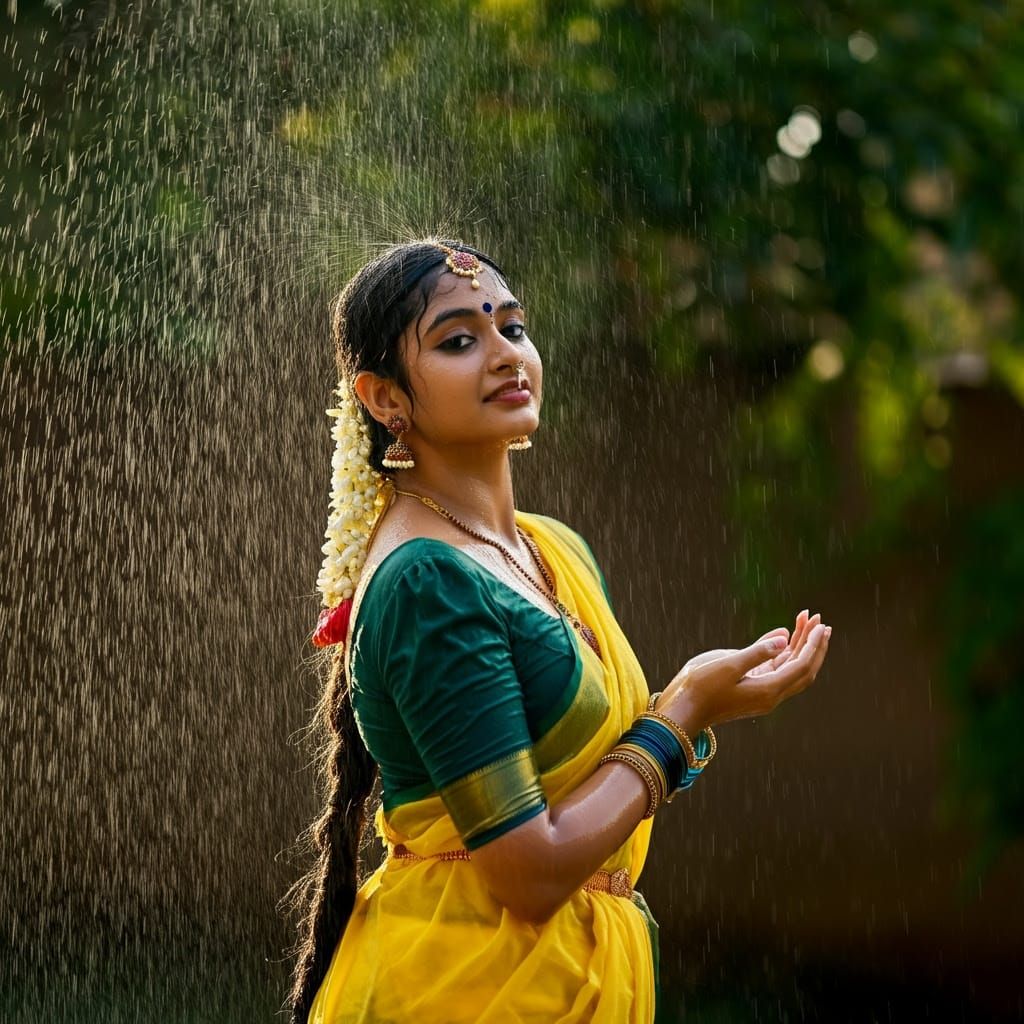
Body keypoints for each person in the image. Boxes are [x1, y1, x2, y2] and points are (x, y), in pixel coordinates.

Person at [283, 238, 832, 1024]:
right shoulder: (427, 584)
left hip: (567, 978)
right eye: (458, 341)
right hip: (465, 986)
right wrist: (681, 713)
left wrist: (706, 710)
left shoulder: (551, 548)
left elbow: (587, 782)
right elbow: (531, 873)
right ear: (384, 398)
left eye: (512, 327)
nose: (506, 354)